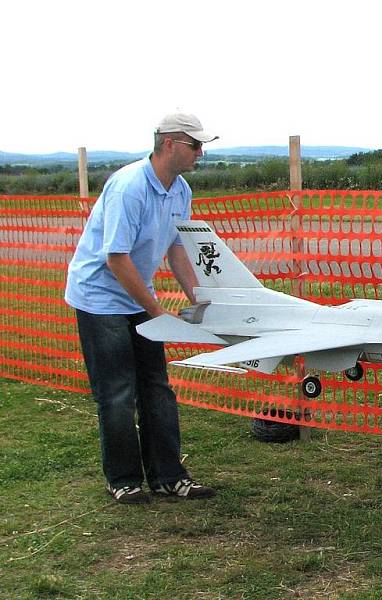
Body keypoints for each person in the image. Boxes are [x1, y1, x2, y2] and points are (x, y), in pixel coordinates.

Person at [65, 113, 219, 504]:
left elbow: (176, 248)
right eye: (195, 145)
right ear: (170, 144)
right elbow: (116, 259)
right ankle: (123, 480)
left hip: (135, 295)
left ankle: (169, 477)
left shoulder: (180, 189)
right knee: (117, 391)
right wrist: (156, 312)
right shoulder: (129, 188)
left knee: (157, 388)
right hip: (100, 297)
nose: (200, 153)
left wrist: (199, 298)